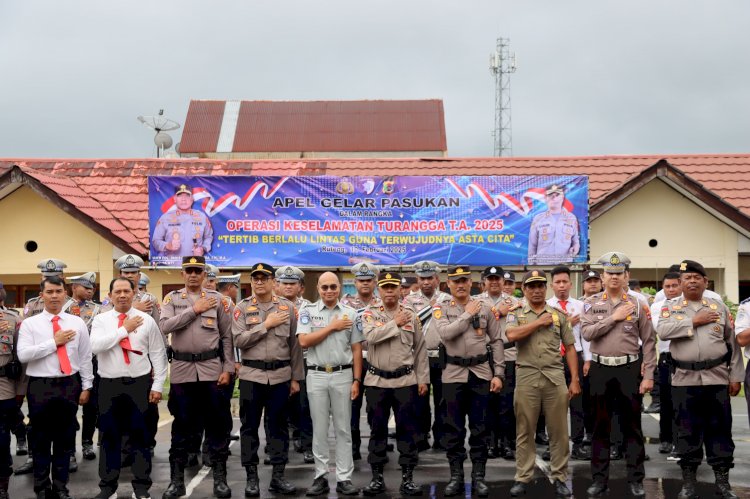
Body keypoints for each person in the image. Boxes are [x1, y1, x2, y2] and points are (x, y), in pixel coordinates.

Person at [657, 260, 744, 499]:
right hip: (684, 380)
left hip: (716, 379)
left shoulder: (719, 307)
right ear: (681, 282)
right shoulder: (670, 307)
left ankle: (723, 482)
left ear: (706, 282)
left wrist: (735, 376)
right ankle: (688, 483)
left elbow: (733, 345)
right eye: (688, 278)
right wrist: (693, 322)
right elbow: (663, 331)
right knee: (687, 432)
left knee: (720, 432)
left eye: (697, 277)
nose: (692, 281)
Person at [581, 252, 656, 498]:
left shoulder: (638, 304)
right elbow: (588, 333)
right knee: (599, 426)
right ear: (602, 276)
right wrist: (613, 318)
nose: (614, 277)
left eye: (618, 273)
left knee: (632, 426)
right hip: (601, 368)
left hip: (629, 368)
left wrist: (648, 375)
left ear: (627, 276)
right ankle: (599, 480)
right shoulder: (591, 303)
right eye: (609, 273)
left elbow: (648, 341)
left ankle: (636, 480)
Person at [160, 256, 235, 499]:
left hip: (212, 369)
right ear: (182, 274)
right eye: (188, 270)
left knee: (217, 426)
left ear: (204, 274)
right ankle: (176, 481)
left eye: (197, 271)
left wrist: (228, 368)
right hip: (182, 371)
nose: (193, 275)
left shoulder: (220, 301)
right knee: (181, 427)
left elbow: (227, 337)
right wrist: (194, 310)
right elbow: (166, 326)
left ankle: (220, 479)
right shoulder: (172, 299)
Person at [90, 277, 167, 499]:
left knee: (140, 437)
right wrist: (124, 330)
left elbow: (158, 355)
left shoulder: (146, 320)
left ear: (134, 293)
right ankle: (107, 487)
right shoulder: (101, 320)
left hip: (139, 384)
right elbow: (95, 346)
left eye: (127, 291)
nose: (122, 295)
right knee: (108, 437)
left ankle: (141, 488)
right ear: (110, 294)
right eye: (118, 291)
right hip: (109, 385)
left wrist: (158, 384)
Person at [430, 266, 504, 497]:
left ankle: (479, 477)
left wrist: (499, 373)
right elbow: (445, 334)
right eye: (455, 281)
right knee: (453, 428)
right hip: (452, 374)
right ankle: (456, 476)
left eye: (464, 280)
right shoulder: (440, 308)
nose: (460, 285)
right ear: (448, 284)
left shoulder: (485, 308)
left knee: (480, 428)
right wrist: (466, 314)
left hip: (481, 373)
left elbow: (497, 340)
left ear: (471, 282)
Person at [17, 276, 94, 499]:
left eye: (58, 291)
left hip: (69, 384)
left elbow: (85, 356)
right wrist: (54, 342)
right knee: (40, 439)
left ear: (64, 294)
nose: (53, 296)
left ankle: (61, 487)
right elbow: (23, 355)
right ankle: (42, 488)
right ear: (42, 295)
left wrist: (87, 386)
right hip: (41, 385)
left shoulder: (77, 322)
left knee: (64, 439)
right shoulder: (30, 324)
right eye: (49, 292)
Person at [233, 263, 304, 497]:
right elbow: (239, 340)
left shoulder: (288, 307)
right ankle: (251, 477)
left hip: (280, 376)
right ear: (251, 282)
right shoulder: (242, 308)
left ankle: (278, 476)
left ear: (274, 281)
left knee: (278, 427)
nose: (260, 282)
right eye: (256, 278)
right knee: (249, 427)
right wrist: (266, 325)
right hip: (252, 376)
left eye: (264, 278)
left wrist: (296, 378)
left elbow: (295, 346)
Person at [506, 270, 579, 498]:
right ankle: (523, 477)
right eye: (531, 286)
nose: (536, 290)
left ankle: (559, 476)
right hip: (527, 377)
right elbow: (511, 335)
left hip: (554, 377)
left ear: (545, 288)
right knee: (524, 430)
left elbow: (570, 348)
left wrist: (574, 379)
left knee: (558, 432)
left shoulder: (558, 315)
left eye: (540, 286)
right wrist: (538, 323)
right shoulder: (516, 313)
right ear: (524, 290)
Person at [361, 272, 429, 497]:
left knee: (407, 430)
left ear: (400, 289)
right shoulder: (370, 313)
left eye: (393, 287)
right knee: (377, 430)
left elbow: (420, 350)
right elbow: (370, 337)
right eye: (385, 287)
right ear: (379, 290)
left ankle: (407, 479)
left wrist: (423, 379)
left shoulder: (412, 315)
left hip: (405, 381)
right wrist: (394, 323)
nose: (389, 291)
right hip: (377, 381)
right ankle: (377, 478)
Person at [297, 272, 363, 497]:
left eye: (333, 287)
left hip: (343, 375)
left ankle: (344, 477)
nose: (329, 291)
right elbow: (304, 341)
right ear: (318, 288)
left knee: (344, 429)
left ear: (339, 287)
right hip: (316, 375)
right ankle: (321, 476)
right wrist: (332, 327)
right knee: (320, 429)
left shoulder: (351, 314)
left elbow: (356, 350)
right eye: (324, 287)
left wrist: (356, 380)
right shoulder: (307, 312)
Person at [404, 261, 451, 452]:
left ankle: (441, 438)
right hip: (418, 356)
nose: (426, 282)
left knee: (443, 399)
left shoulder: (448, 299)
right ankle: (421, 437)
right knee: (419, 399)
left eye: (429, 278)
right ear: (417, 279)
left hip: (442, 355)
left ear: (437, 279)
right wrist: (430, 307)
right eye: (422, 278)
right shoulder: (409, 300)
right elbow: (409, 322)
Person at [547, 266, 592, 461]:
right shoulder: (546, 306)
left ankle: (578, 444)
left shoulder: (580, 306)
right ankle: (553, 445)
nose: (562, 285)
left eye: (565, 281)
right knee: (553, 405)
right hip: (553, 359)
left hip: (576, 357)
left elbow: (587, 336)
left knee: (577, 403)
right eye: (558, 282)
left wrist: (588, 359)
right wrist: (566, 324)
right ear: (552, 285)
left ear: (571, 284)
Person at [476, 266, 520, 460]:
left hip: (509, 355)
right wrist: (496, 312)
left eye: (498, 279)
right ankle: (490, 443)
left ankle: (507, 443)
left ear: (503, 282)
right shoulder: (476, 302)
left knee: (507, 403)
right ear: (484, 282)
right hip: (485, 357)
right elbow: (474, 323)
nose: (494, 282)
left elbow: (521, 329)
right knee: (487, 403)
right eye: (490, 278)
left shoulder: (515, 302)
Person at [341, 261, 381, 461]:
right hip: (353, 360)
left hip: (377, 361)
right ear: (355, 283)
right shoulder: (345, 304)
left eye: (369, 280)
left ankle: (377, 445)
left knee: (376, 406)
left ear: (375, 282)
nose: (365, 284)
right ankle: (353, 446)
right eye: (361, 280)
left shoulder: (383, 303)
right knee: (352, 407)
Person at [275, 266, 313, 464]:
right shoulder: (271, 306)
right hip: (278, 361)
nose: (288, 287)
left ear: (301, 287)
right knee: (278, 406)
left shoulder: (308, 307)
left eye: (292, 284)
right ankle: (277, 448)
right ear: (277, 285)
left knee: (305, 406)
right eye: (284, 283)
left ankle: (307, 445)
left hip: (304, 360)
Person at [66, 272, 103, 464]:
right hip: (69, 362)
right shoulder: (62, 308)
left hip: (93, 362)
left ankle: (87, 442)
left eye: (92, 288)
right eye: (86, 288)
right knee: (70, 407)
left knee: (92, 406)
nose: (90, 291)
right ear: (74, 287)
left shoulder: (99, 309)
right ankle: (69, 450)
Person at [649, 272, 682, 460]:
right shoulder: (657, 306)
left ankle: (682, 440)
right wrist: (686, 325)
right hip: (666, 358)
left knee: (683, 402)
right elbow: (661, 331)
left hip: (685, 358)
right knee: (666, 401)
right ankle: (666, 439)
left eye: (674, 286)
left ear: (681, 285)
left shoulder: (689, 305)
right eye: (667, 286)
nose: (670, 290)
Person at [0, 283, 23, 499]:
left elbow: (20, 358)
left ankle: (2, 484)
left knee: (1, 438)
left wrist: (21, 389)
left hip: (3, 387)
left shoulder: (12, 319)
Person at [151, 184, 213, 259]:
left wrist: (203, 249)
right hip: (172, 265)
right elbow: (155, 241)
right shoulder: (165, 218)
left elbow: (208, 237)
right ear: (175, 199)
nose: (184, 199)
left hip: (195, 265)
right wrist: (168, 245)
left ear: (192, 199)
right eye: (180, 195)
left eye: (187, 195)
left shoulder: (202, 217)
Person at [528, 184, 580, 265]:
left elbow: (575, 241)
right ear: (546, 199)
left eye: (557, 195)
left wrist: (576, 248)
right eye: (550, 195)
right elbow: (532, 245)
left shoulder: (571, 218)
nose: (554, 198)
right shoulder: (538, 219)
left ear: (562, 198)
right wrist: (531, 266)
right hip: (543, 266)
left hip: (564, 266)